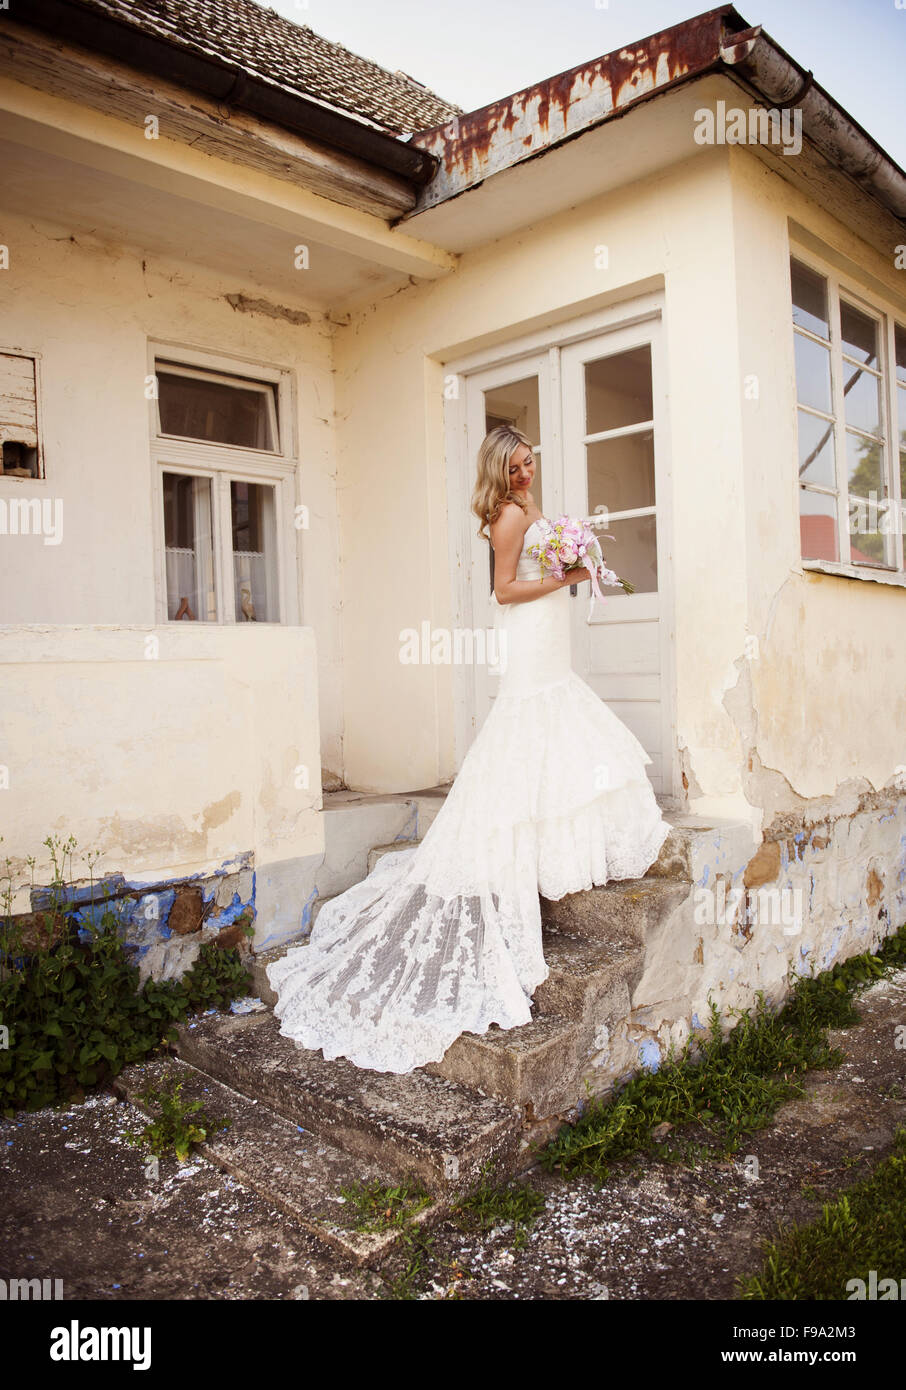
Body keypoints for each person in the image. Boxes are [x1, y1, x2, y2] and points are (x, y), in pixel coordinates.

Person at [266, 424, 671, 1073]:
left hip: (550, 632)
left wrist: (575, 564)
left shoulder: (531, 506)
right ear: (497, 474)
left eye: (530, 461)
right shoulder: (509, 517)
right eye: (514, 466)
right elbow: (504, 590)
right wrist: (567, 573)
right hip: (529, 629)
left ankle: (564, 846)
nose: (526, 472)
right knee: (532, 719)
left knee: (558, 716)